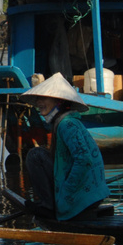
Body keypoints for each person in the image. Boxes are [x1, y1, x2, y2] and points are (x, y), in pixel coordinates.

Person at [19, 72, 109, 220]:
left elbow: (84, 160)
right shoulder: (64, 123)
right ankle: (50, 204)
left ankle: (49, 207)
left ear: (59, 102)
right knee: (41, 153)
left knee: (35, 156)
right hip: (91, 194)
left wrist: (67, 193)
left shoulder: (67, 124)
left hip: (85, 197)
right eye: (38, 98)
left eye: (44, 97)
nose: (38, 102)